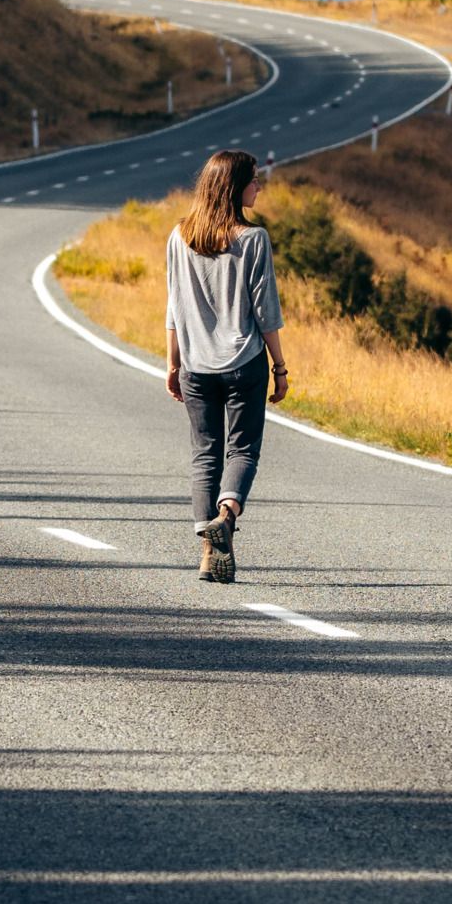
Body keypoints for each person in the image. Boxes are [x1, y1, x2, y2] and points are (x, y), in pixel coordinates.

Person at [164, 148, 288, 583]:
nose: (259, 186)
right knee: (243, 449)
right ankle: (227, 513)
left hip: (196, 364)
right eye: (254, 179)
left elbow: (174, 306)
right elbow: (265, 310)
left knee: (204, 455)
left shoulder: (178, 236)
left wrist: (172, 363)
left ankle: (208, 551)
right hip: (243, 363)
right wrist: (280, 366)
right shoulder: (254, 239)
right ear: (235, 187)